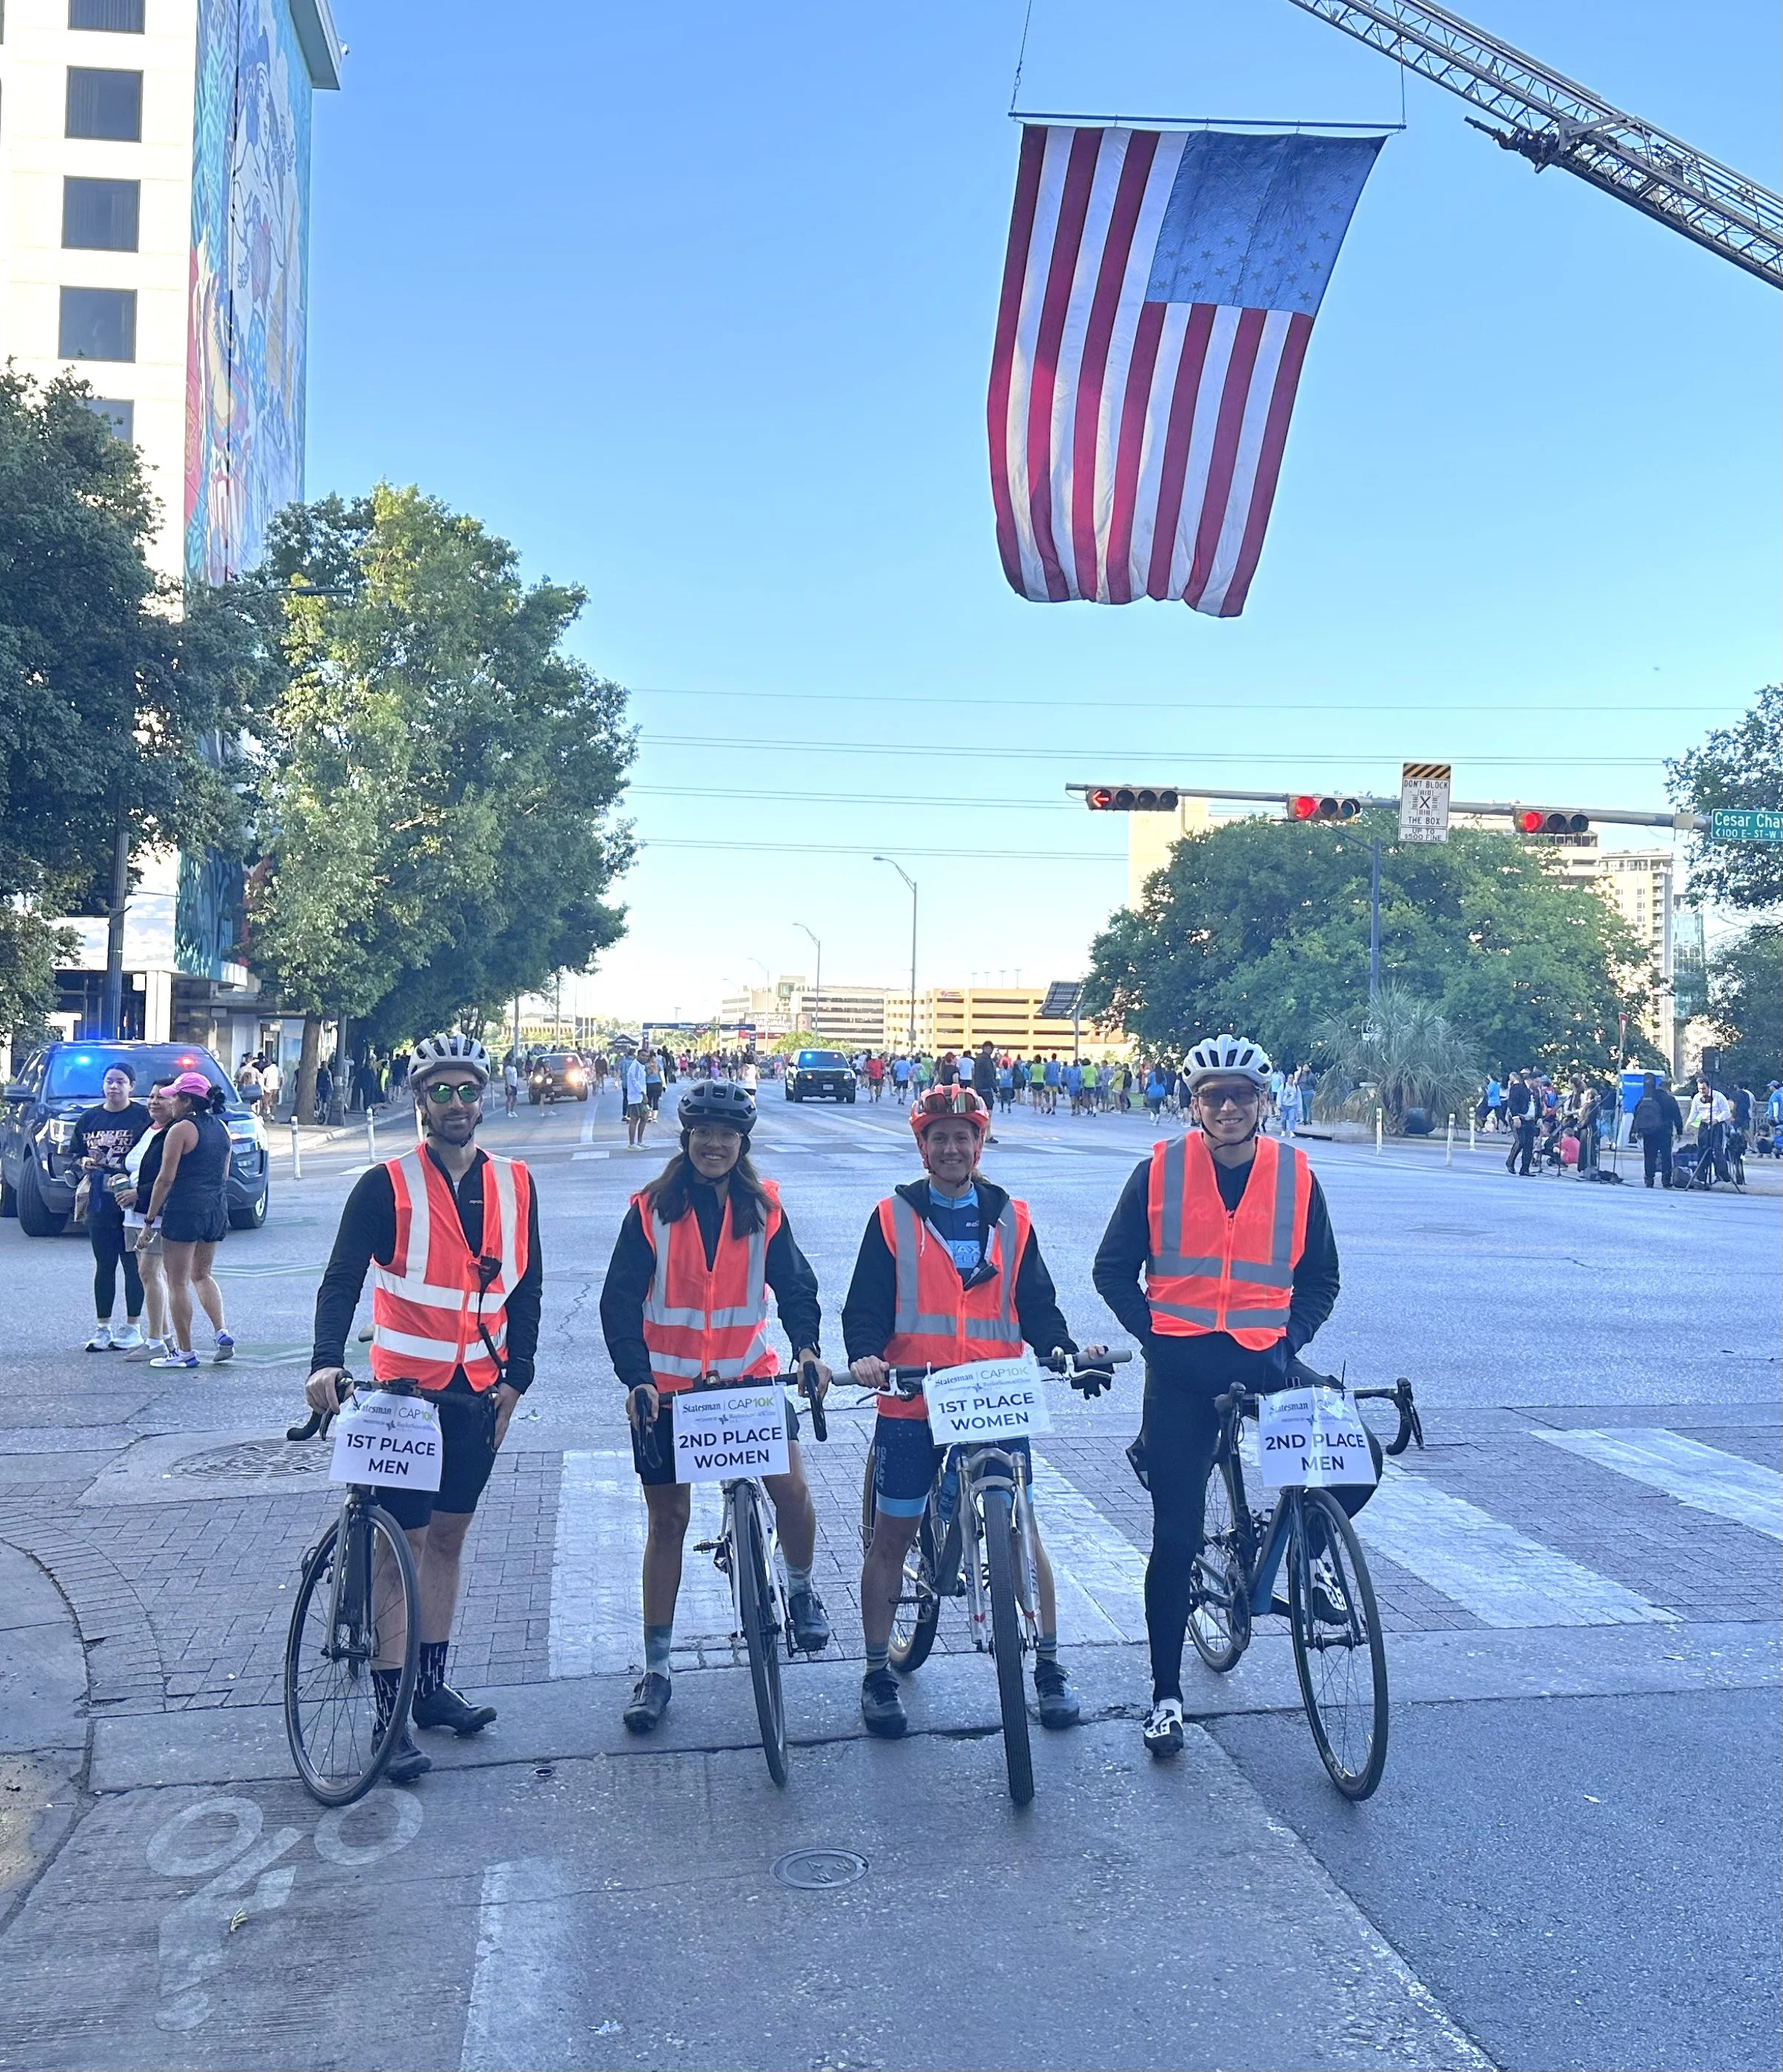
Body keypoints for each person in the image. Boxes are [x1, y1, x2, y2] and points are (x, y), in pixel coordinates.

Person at [1092, 1033, 1347, 1758]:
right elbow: (1111, 1270)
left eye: (1240, 1095)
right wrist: (1155, 1338)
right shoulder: (1158, 1171)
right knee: (1175, 1538)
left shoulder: (1295, 1175)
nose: (1227, 1107)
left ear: (1263, 1102)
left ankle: (1297, 1549)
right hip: (1180, 1370)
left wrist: (1289, 1341)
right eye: (1213, 1096)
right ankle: (1166, 1695)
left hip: (1265, 1360)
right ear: (1194, 1104)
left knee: (1356, 1456)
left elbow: (1321, 1278)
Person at [305, 1033, 540, 1783]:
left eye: (468, 1089)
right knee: (399, 1548)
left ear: (484, 1097)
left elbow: (527, 1288)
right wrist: (324, 1361)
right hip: (403, 1398)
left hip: (478, 1395)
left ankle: (431, 1690)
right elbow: (342, 1279)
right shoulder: (385, 1186)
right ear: (419, 1101)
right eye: (441, 1091)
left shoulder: (516, 1184)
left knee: (446, 1540)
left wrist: (519, 1378)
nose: (456, 1104)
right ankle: (391, 1712)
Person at [843, 1086, 1109, 1740]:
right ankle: (876, 1672)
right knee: (892, 1535)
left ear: (978, 1145)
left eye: (962, 1137)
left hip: (992, 1392)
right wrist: (865, 1355)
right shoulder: (892, 1217)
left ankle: (1048, 1665)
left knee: (1020, 1529)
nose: (951, 1148)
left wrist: (1062, 1349)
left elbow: (1036, 1302)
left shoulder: (1012, 1218)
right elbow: (865, 1304)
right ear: (922, 1146)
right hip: (913, 1396)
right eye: (938, 1137)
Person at [600, 1079, 831, 1732]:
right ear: (687, 1138)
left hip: (745, 1382)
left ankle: (800, 1589)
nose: (715, 1144)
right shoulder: (650, 1211)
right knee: (668, 1521)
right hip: (668, 1392)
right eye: (704, 1132)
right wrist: (636, 1378)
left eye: (727, 1134)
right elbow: (619, 1302)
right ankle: (657, 1669)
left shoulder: (764, 1209)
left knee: (791, 1489)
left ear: (742, 1143)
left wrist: (807, 1349)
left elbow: (795, 1286)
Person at [141, 1073, 235, 1369]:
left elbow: (165, 1179)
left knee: (177, 1281)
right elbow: (224, 1174)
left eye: (174, 1097)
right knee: (202, 1274)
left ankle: (185, 1352)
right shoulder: (221, 1128)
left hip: (184, 1208)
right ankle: (221, 1331)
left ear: (186, 1101)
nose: (170, 1102)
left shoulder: (181, 1129)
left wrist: (149, 1219)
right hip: (215, 1207)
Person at [70, 1063, 152, 1351]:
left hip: (131, 1200)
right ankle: (102, 1328)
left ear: (132, 1086)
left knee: (133, 1264)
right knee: (104, 1264)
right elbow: (74, 1153)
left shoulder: (142, 1117)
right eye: (109, 1081)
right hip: (100, 1200)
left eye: (120, 1081)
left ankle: (133, 1327)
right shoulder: (89, 1118)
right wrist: (84, 1162)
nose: (114, 1087)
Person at [119, 1076, 175, 1361]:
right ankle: (165, 1337)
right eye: (151, 1096)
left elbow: (169, 1177)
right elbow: (135, 1165)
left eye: (161, 1097)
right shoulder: (146, 1128)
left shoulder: (175, 1132)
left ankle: (154, 1341)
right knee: (149, 1274)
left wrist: (138, 1193)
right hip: (133, 1213)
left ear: (176, 1101)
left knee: (149, 1273)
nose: (154, 1102)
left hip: (155, 1213)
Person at [1630, 1073, 1682, 1189]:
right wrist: (1679, 1131)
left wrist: (1636, 1130)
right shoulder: (1669, 1099)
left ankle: (1649, 1179)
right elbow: (1677, 1116)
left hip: (1649, 1132)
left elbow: (1637, 1114)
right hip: (1665, 1132)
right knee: (1666, 1156)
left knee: (1649, 1156)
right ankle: (1666, 1180)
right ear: (1668, 1089)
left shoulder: (1646, 1098)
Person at [1686, 1077, 1733, 1186]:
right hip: (1704, 1124)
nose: (1702, 1091)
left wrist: (1717, 1119)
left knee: (1717, 1149)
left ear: (1709, 1087)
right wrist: (1688, 1123)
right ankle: (1701, 1175)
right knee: (1702, 1149)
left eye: (1704, 1089)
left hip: (1716, 1125)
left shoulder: (1718, 1096)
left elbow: (1726, 1112)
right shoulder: (1697, 1097)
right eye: (1699, 1089)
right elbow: (1694, 1112)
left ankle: (1722, 1173)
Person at [1504, 1071, 1537, 1176]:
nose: (1538, 1084)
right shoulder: (1518, 1087)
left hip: (1530, 1119)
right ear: (1530, 1080)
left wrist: (1539, 1117)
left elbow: (1538, 1104)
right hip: (1519, 1118)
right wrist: (1515, 1117)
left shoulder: (1536, 1091)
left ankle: (1525, 1168)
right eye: (1537, 1082)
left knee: (1529, 1144)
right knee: (1521, 1141)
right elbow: (1512, 1102)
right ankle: (1510, 1162)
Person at [621, 1049, 650, 1147]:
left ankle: (640, 1141)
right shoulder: (635, 1066)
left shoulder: (641, 1066)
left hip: (640, 1097)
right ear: (638, 1055)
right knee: (634, 1119)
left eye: (647, 1056)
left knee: (645, 1117)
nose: (645, 1058)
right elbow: (635, 1081)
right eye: (643, 1055)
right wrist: (643, 1093)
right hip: (636, 1097)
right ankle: (632, 1143)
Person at [258, 1053, 282, 1124]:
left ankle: (268, 1113)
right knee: (274, 1102)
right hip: (275, 1087)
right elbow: (279, 1079)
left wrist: (264, 1087)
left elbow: (264, 1079)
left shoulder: (266, 1070)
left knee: (266, 1101)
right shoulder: (277, 1069)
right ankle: (273, 1116)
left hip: (268, 1087)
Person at [502, 1053, 520, 1118]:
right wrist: (508, 1086)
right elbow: (507, 1078)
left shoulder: (514, 1068)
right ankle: (508, 1112)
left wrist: (517, 1084)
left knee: (515, 1099)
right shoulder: (508, 1068)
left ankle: (512, 1111)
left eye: (515, 1061)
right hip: (510, 1085)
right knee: (509, 1099)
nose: (514, 1062)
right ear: (510, 1062)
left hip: (514, 1085)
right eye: (513, 1061)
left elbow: (515, 1077)